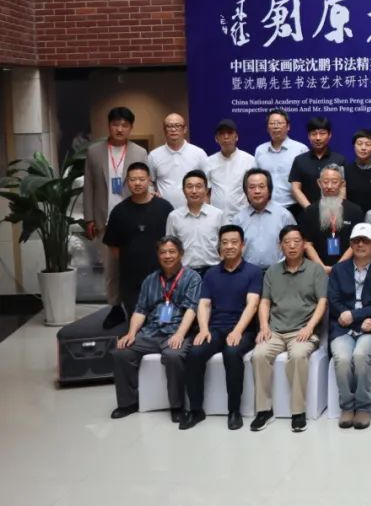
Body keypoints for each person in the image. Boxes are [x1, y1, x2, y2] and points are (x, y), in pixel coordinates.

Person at [109, 235, 201, 421]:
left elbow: (191, 310)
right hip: (151, 332)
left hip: (177, 331)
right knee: (121, 352)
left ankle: (177, 406)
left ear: (181, 254)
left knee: (174, 356)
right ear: (158, 255)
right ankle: (128, 403)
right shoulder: (150, 280)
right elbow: (140, 310)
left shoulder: (192, 278)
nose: (167, 256)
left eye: (172, 252)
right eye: (163, 252)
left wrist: (180, 335)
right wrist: (131, 333)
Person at [181, 225, 263, 430]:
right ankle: (196, 410)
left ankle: (234, 411)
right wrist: (203, 329)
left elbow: (252, 305)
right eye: (224, 242)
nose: (229, 246)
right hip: (215, 329)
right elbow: (204, 304)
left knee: (232, 353)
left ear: (242, 245)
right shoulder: (211, 273)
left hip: (244, 329)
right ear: (219, 246)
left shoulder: (253, 272)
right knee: (194, 353)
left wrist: (238, 331)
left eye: (234, 242)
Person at [250, 226, 329, 433]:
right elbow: (265, 302)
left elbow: (322, 302)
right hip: (275, 330)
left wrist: (310, 327)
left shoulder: (315, 270)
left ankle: (298, 411)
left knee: (298, 355)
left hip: (302, 330)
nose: (292, 246)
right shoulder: (272, 272)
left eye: (296, 241)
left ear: (304, 245)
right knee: (258, 355)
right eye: (287, 242)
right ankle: (264, 410)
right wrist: (264, 326)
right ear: (280, 246)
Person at [83, 106, 148, 322]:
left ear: (131, 128)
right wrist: (89, 218)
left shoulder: (140, 152)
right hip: (105, 217)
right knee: (111, 267)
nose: (120, 129)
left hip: (133, 217)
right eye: (115, 124)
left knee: (135, 264)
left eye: (124, 125)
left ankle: (139, 306)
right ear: (109, 126)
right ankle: (115, 307)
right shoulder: (94, 152)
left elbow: (145, 183)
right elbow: (89, 186)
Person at [327, 223, 371, 430]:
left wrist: (356, 316)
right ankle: (347, 407)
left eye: (365, 241)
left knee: (361, 355)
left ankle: (363, 407)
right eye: (356, 241)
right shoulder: (339, 270)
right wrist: (356, 320)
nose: (361, 245)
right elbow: (333, 300)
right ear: (350, 244)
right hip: (342, 327)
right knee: (342, 358)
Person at [103, 162, 174, 318]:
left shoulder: (165, 208)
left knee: (165, 320)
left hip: (163, 275)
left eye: (141, 179)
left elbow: (174, 241)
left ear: (149, 180)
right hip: (131, 278)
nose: (137, 183)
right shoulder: (119, 211)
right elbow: (113, 246)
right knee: (137, 321)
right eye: (132, 179)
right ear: (127, 182)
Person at [298, 164, 365, 273]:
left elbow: (356, 243)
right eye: (325, 182)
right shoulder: (309, 211)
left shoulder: (355, 211)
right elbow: (307, 244)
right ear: (319, 183)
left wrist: (338, 267)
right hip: (316, 270)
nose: (329, 186)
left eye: (334, 182)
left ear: (342, 183)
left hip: (348, 269)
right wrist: (321, 267)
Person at [233, 168, 294, 271]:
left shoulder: (284, 216)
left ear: (269, 189)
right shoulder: (238, 219)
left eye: (261, 186)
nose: (257, 191)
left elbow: (295, 246)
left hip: (279, 272)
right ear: (245, 191)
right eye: (252, 187)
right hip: (247, 273)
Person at [165, 170, 224, 274]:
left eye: (199, 186)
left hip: (213, 270)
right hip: (184, 272)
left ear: (206, 190)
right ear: (183, 191)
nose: (194, 191)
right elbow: (170, 247)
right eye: (189, 186)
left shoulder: (218, 215)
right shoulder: (174, 217)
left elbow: (223, 244)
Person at [148, 113, 209, 209]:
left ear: (185, 129)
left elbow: (208, 184)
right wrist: (152, 193)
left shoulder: (199, 153)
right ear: (164, 130)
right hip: (163, 210)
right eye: (169, 126)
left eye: (177, 125)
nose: (173, 129)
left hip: (193, 210)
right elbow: (149, 182)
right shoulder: (154, 155)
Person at [253, 109, 308, 214]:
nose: (276, 126)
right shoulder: (260, 150)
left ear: (288, 126)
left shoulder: (300, 149)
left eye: (279, 123)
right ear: (267, 128)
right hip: (267, 207)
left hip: (295, 207)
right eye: (272, 123)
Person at [289, 116, 348, 212]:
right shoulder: (299, 160)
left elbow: (342, 188)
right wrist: (310, 209)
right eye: (313, 134)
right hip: (306, 212)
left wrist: (337, 209)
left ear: (329, 135)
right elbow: (295, 189)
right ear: (308, 136)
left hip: (334, 212)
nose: (318, 138)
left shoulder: (340, 159)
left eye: (322, 133)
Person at [205, 119, 255, 221]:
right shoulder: (209, 162)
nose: (226, 137)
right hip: (216, 218)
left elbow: (254, 191)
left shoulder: (249, 160)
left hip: (242, 217)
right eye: (222, 133)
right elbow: (206, 193)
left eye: (230, 133)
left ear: (236, 137)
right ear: (216, 138)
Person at [344, 129, 371, 215]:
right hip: (350, 216)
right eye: (359, 144)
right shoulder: (344, 170)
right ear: (354, 146)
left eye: (368, 144)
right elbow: (343, 199)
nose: (363, 148)